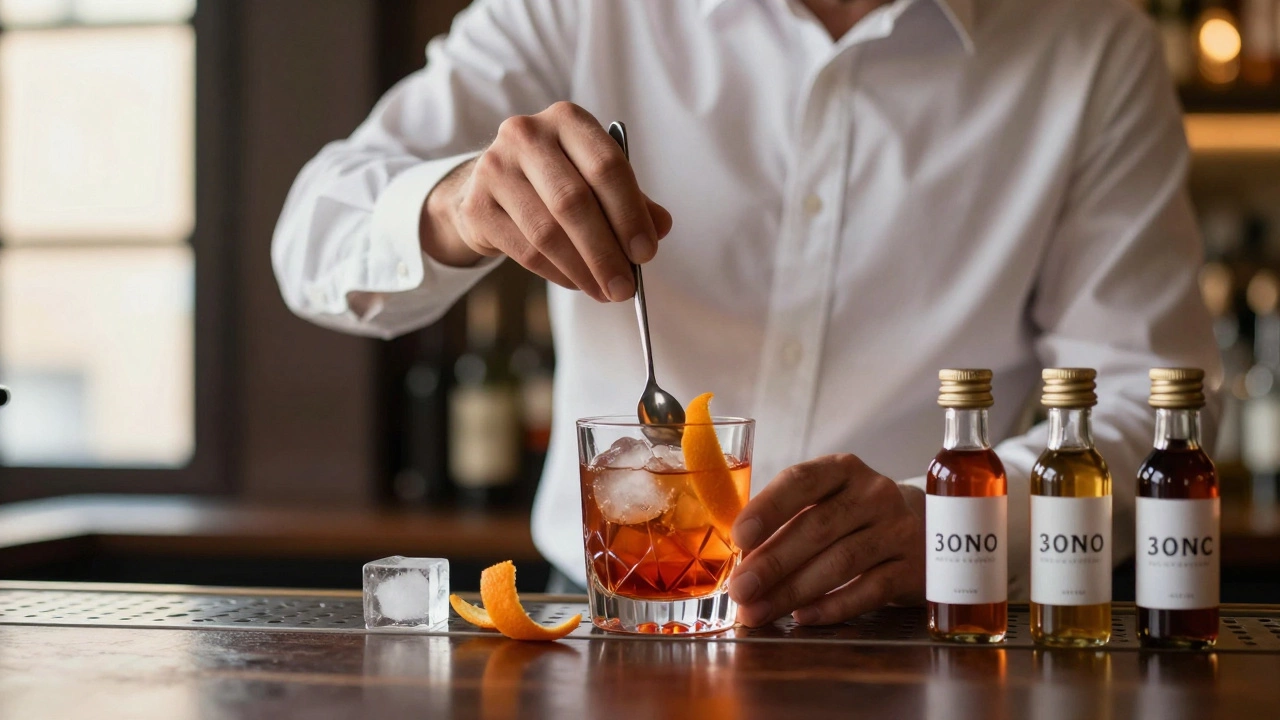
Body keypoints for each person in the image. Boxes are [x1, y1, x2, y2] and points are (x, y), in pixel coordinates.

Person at [272, 0, 1220, 627]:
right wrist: (456, 204)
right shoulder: (572, 9)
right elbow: (311, 236)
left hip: (924, 629)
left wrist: (949, 520)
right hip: (610, 624)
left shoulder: (1093, 42)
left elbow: (1149, 408)